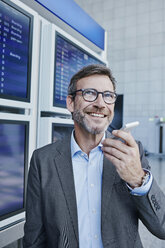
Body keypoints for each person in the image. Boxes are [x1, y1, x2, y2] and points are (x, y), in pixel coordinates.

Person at [23, 64, 165, 248]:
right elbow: (34, 239)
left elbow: (162, 227)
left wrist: (138, 179)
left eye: (108, 96)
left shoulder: (130, 153)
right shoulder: (43, 160)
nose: (100, 104)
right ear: (71, 103)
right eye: (90, 93)